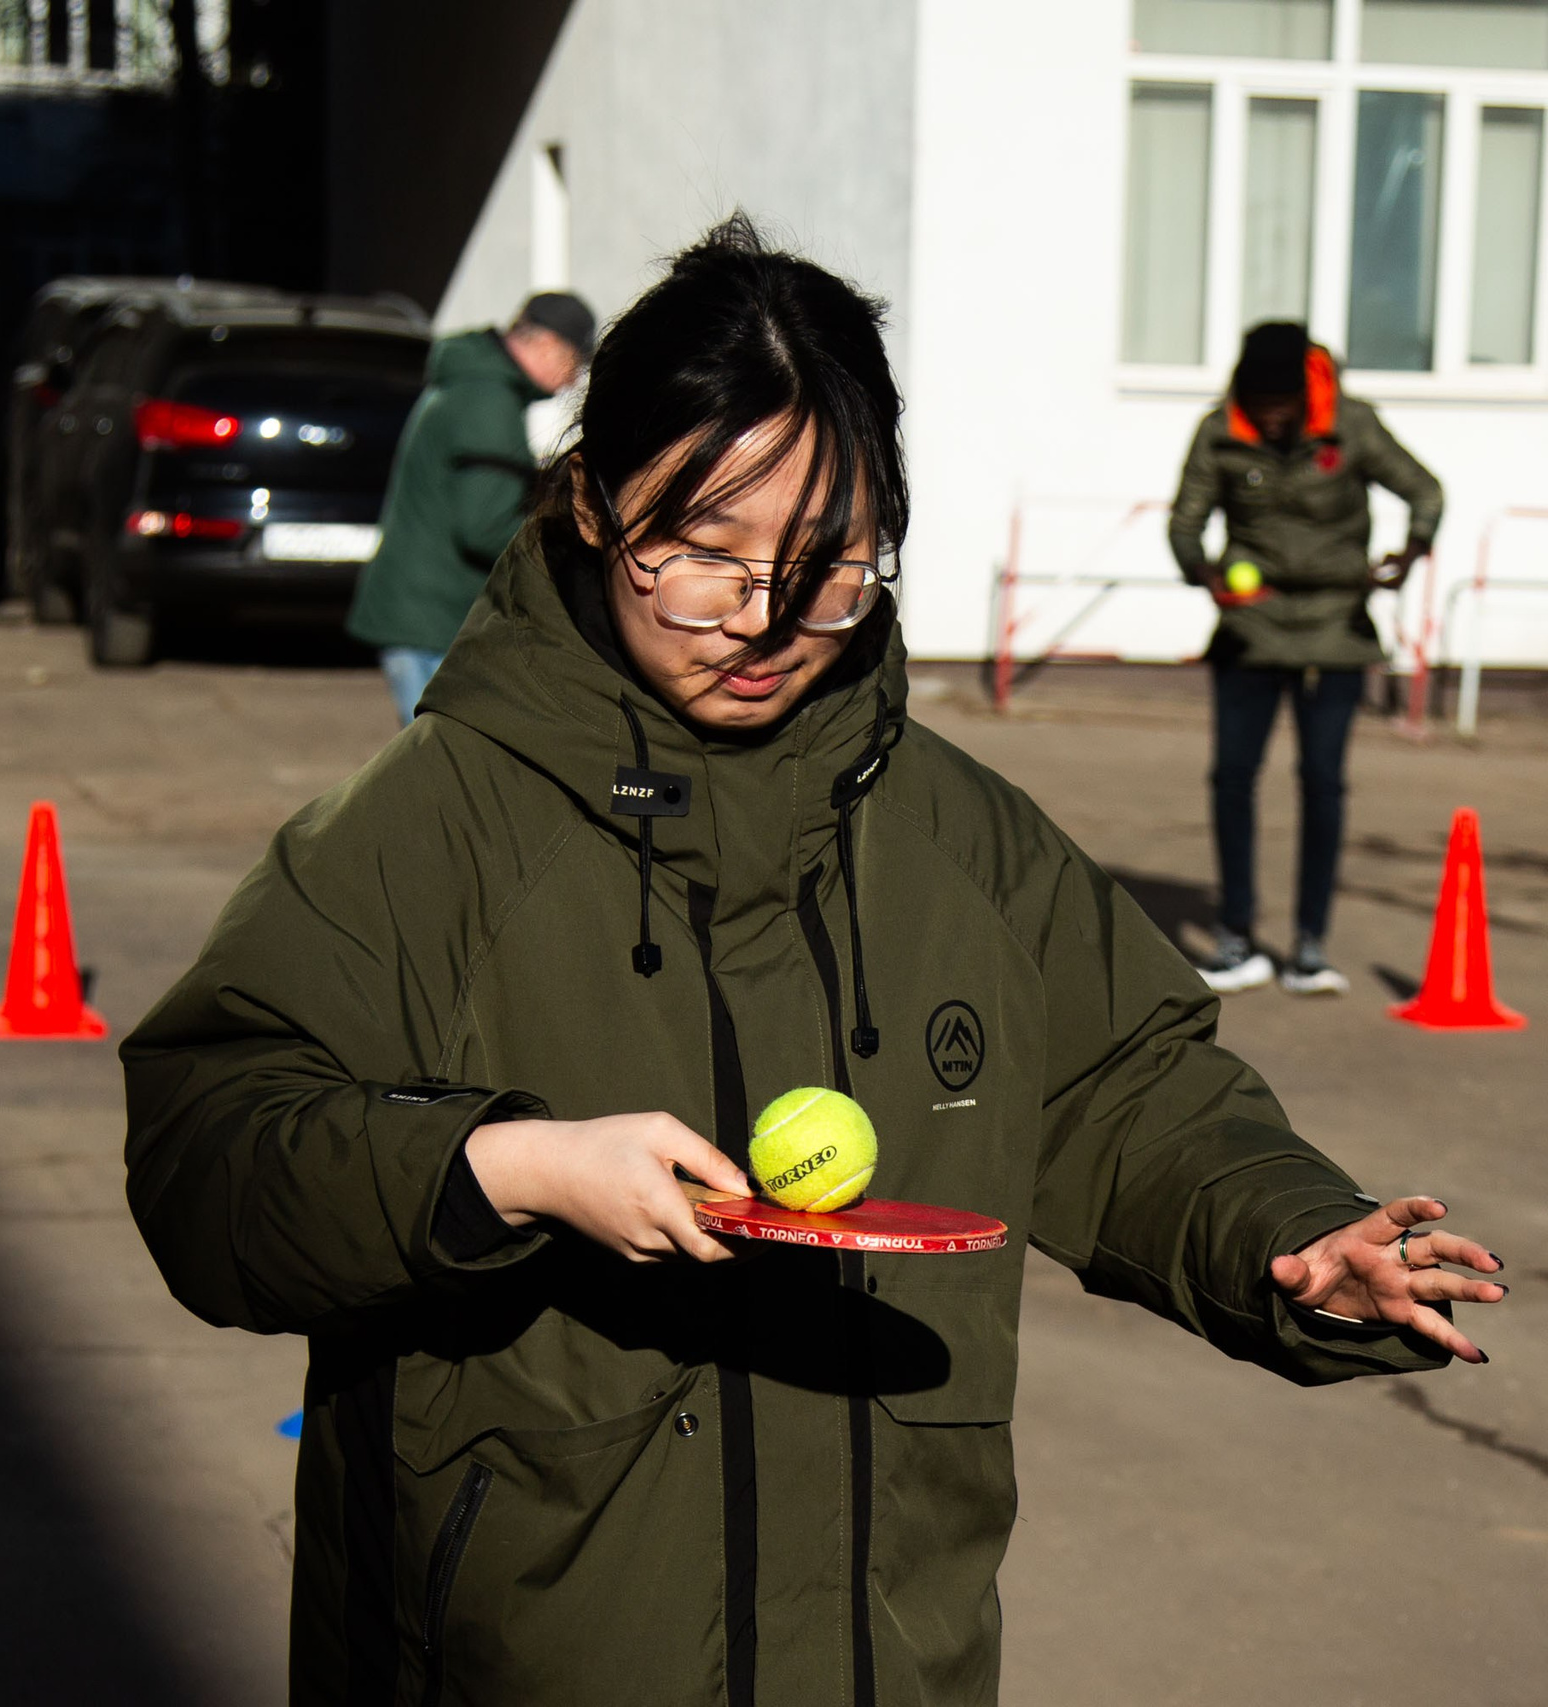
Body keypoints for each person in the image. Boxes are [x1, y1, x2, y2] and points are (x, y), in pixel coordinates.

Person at [121, 220, 1503, 1706]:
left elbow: (1129, 1091)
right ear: (590, 502)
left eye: (828, 562)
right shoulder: (433, 826)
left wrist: (1295, 1236)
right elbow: (212, 1152)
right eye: (703, 553)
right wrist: (503, 1166)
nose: (765, 618)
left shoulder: (966, 839)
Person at [1168, 321, 1443, 996]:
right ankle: (1236, 936)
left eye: (1281, 406)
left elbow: (1425, 490)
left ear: (1303, 393)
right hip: (1251, 628)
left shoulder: (1352, 425)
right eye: (1259, 406)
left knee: (1322, 781)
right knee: (1232, 778)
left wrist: (1410, 553)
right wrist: (1205, 575)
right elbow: (1185, 521)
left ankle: (1309, 947)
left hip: (1335, 629)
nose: (1270, 418)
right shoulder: (1219, 431)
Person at [348, 290, 596, 724]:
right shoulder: (488, 401)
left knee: (434, 749)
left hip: (423, 610)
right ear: (548, 345)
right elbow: (486, 526)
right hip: (432, 619)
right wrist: (570, 537)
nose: (575, 381)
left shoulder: (474, 384)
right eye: (576, 363)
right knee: (440, 754)